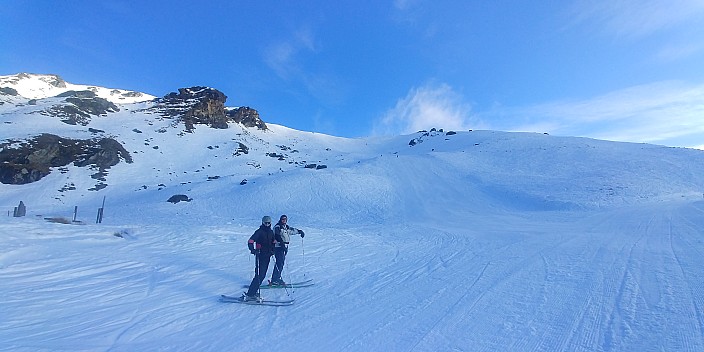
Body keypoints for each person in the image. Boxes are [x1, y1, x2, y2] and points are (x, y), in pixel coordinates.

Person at [244, 216, 276, 301]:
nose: (267, 224)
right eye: (265, 223)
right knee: (259, 275)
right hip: (260, 256)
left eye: (268, 223)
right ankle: (250, 294)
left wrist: (273, 250)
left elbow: (273, 242)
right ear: (262, 223)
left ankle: (253, 292)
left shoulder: (271, 232)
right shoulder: (259, 232)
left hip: (267, 256)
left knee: (262, 275)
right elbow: (250, 241)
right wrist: (253, 250)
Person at [270, 214, 305, 285]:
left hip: (284, 246)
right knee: (279, 262)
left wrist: (299, 231)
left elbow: (292, 230)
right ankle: (274, 279)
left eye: (285, 219)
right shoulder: (278, 227)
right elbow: (277, 235)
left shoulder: (285, 227)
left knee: (281, 263)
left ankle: (277, 278)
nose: (284, 220)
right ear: (280, 219)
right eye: (283, 219)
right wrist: (281, 243)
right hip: (279, 247)